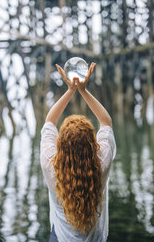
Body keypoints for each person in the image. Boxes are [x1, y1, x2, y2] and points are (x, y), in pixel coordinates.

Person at [40, 62, 116, 242]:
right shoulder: (101, 163)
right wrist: (83, 90)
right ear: (92, 144)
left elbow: (50, 121)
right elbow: (106, 122)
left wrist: (70, 90)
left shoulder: (50, 164)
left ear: (61, 145)